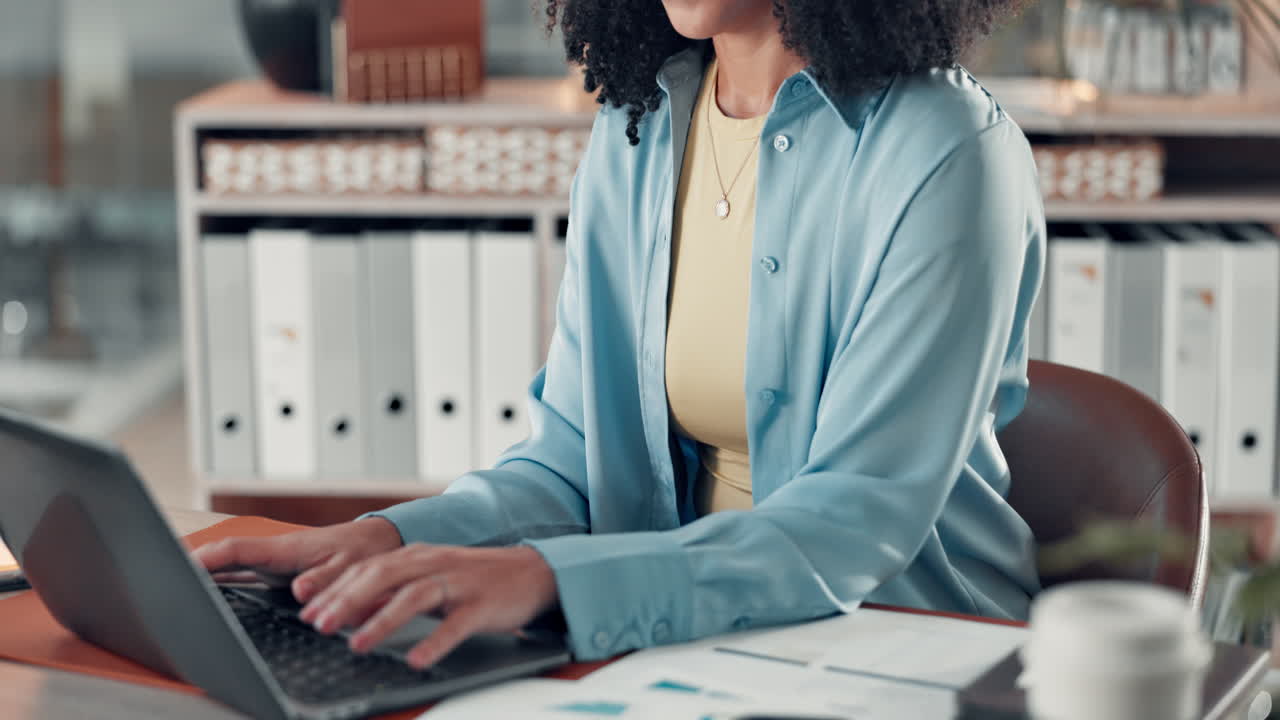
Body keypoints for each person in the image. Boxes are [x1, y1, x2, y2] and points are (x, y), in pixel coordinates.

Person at [197, 0, 1045, 670]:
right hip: (692, 638)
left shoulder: (948, 152)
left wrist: (550, 582)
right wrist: (386, 539)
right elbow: (571, 461)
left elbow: (852, 519)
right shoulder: (640, 126)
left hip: (907, 648)